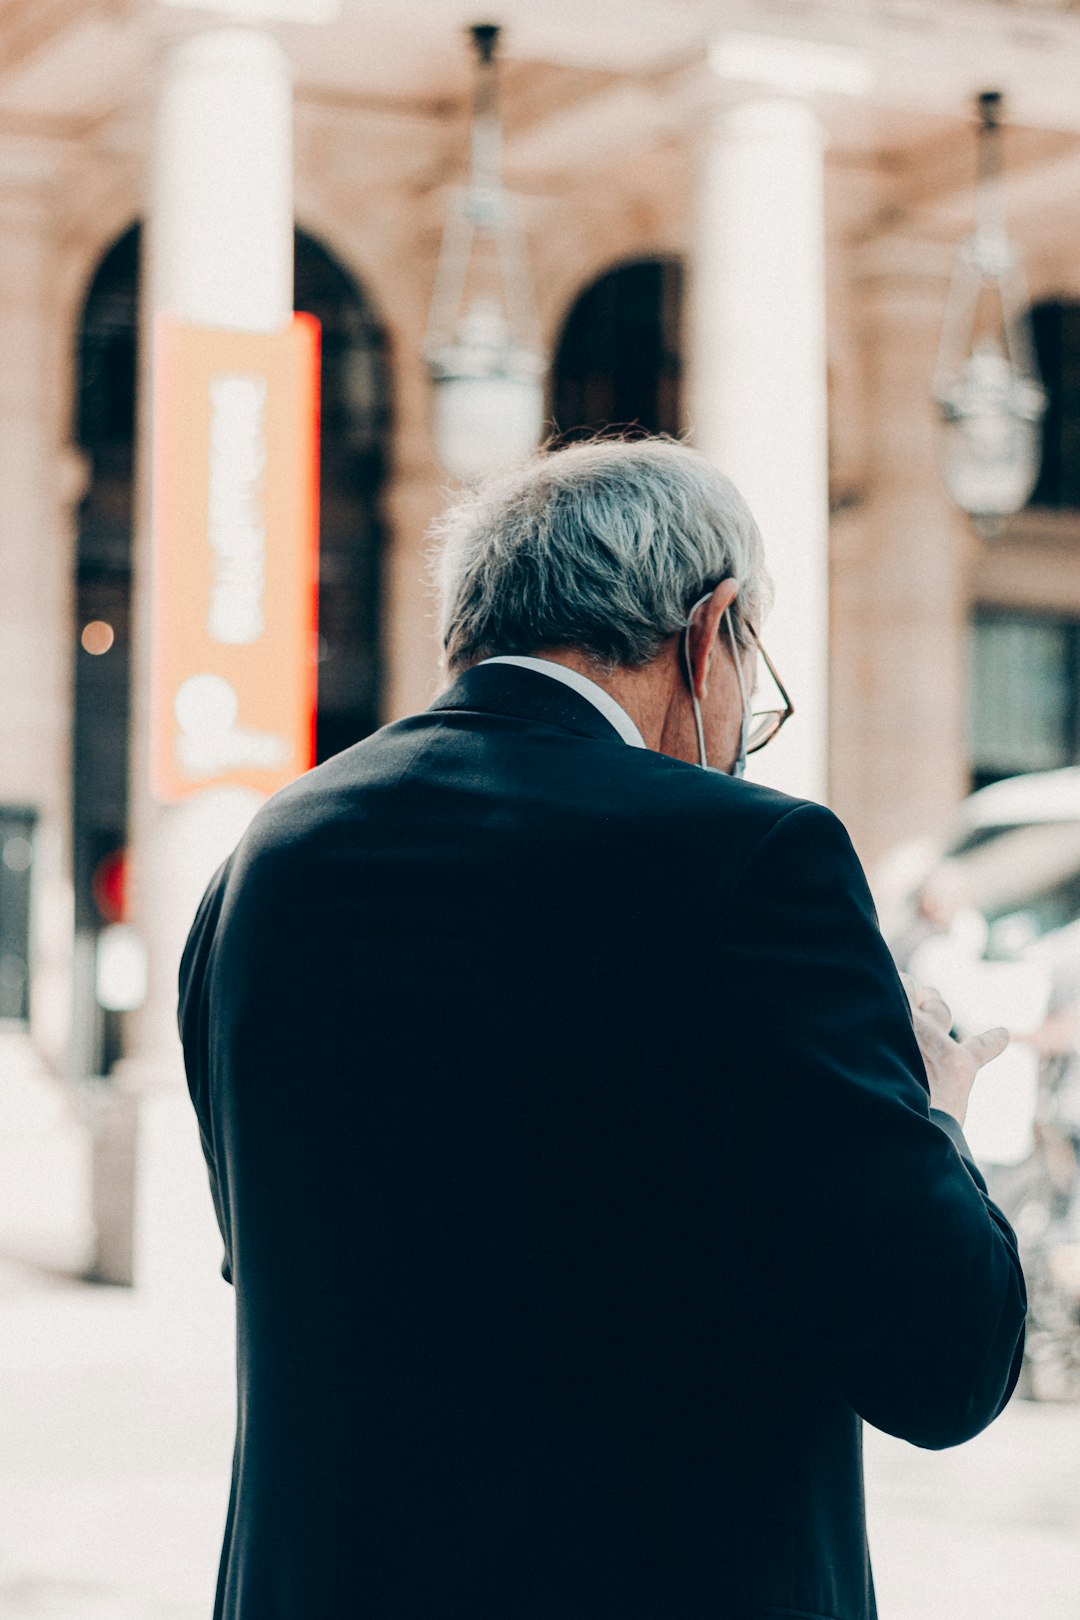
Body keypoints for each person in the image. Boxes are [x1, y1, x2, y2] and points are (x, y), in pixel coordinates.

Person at [179, 437, 1026, 1620]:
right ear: (708, 630)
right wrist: (932, 1112)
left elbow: (289, 1259)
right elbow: (944, 1362)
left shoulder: (260, 864)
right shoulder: (754, 859)